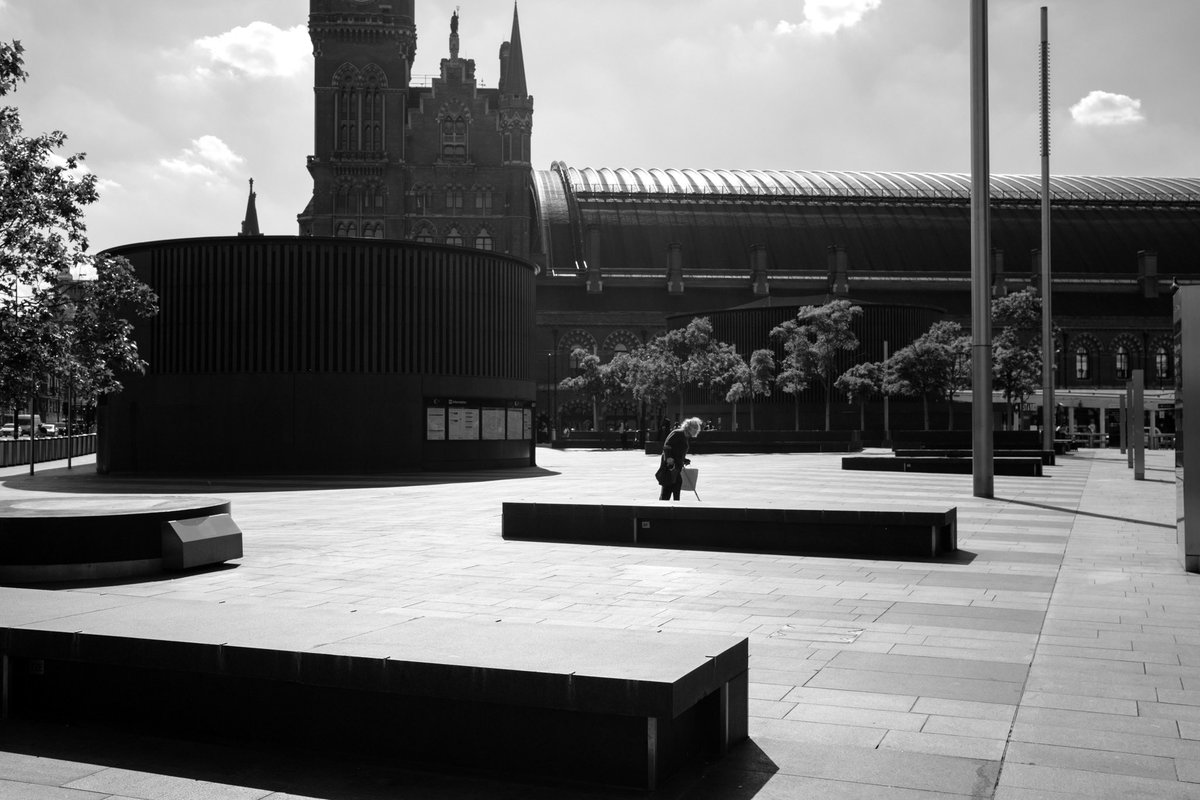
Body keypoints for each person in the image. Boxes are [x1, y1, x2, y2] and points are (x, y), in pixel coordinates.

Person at [657, 416, 702, 501]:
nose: (697, 430)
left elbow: (677, 451)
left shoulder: (684, 436)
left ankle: (676, 508)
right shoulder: (678, 433)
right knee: (667, 491)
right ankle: (663, 510)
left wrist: (684, 460)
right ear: (689, 427)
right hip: (670, 468)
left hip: (676, 468)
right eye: (695, 428)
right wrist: (669, 458)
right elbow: (667, 446)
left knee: (676, 486)